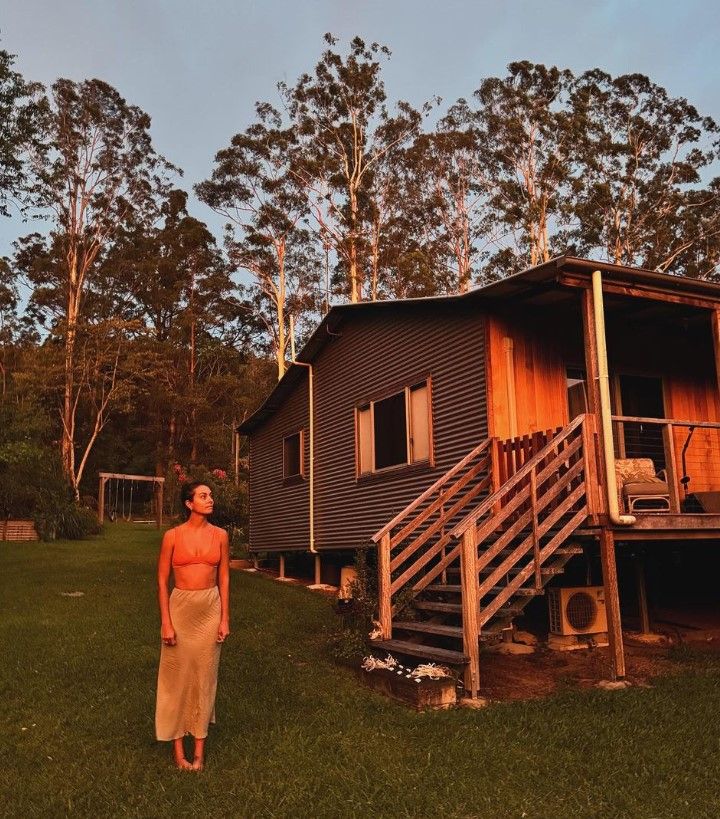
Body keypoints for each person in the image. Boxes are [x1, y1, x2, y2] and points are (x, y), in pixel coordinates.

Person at [155, 481, 230, 770]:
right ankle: (178, 751)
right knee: (177, 678)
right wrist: (166, 622)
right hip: (180, 609)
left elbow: (224, 578)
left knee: (204, 677)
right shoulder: (172, 536)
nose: (210, 499)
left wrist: (224, 618)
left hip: (210, 608)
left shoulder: (220, 536)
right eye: (203, 496)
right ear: (189, 503)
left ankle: (199, 750)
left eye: (210, 495)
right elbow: (162, 580)